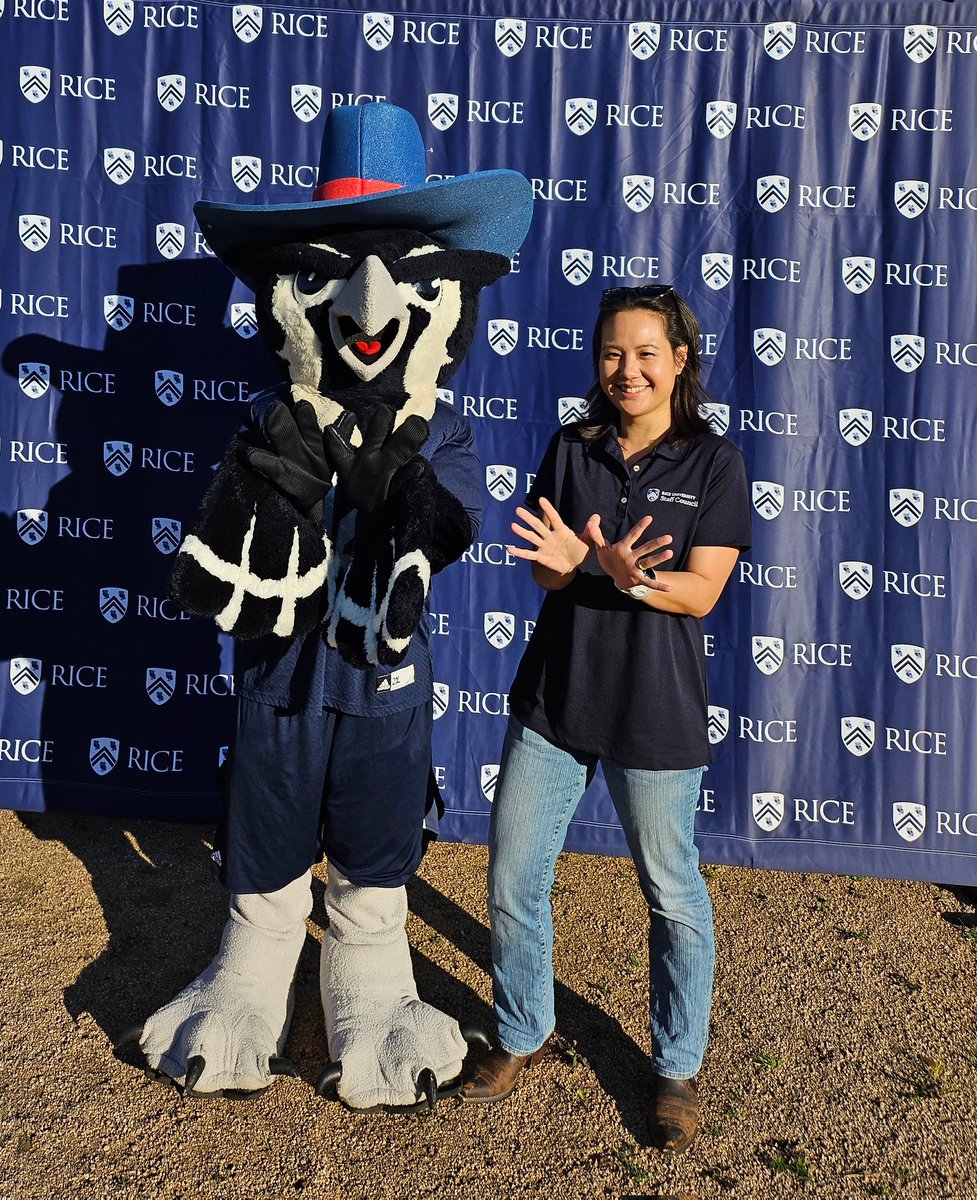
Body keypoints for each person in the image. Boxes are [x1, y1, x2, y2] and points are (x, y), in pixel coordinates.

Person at [460, 285, 751, 1153]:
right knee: (514, 878)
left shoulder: (714, 463)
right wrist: (571, 568)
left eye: (645, 353)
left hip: (655, 714)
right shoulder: (571, 446)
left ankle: (675, 1067)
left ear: (680, 360)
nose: (626, 371)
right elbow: (549, 574)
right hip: (556, 700)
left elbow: (700, 594)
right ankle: (521, 1031)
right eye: (612, 354)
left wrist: (623, 575)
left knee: (672, 895)